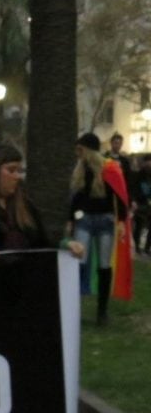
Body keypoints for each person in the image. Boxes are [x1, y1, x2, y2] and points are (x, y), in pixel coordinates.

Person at [68, 133, 128, 326]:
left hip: (105, 220)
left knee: (104, 266)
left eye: (80, 149)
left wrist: (121, 221)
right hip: (84, 219)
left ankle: (102, 313)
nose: (78, 153)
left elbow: (120, 195)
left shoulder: (110, 168)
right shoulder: (80, 169)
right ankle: (74, 309)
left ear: (88, 150)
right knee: (79, 263)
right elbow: (76, 197)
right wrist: (72, 219)